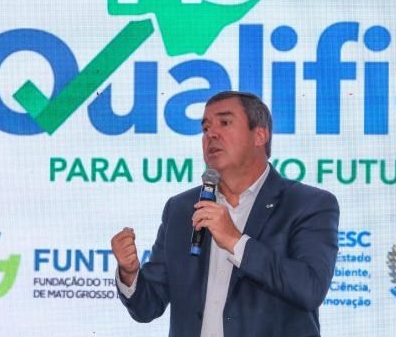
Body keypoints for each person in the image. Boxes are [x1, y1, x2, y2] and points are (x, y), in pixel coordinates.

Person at [111, 91, 339, 337]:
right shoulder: (181, 209)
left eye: (225, 122)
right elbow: (147, 307)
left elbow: (310, 288)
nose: (211, 134)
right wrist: (129, 274)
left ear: (260, 135)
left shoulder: (307, 204)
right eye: (206, 128)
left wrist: (235, 241)